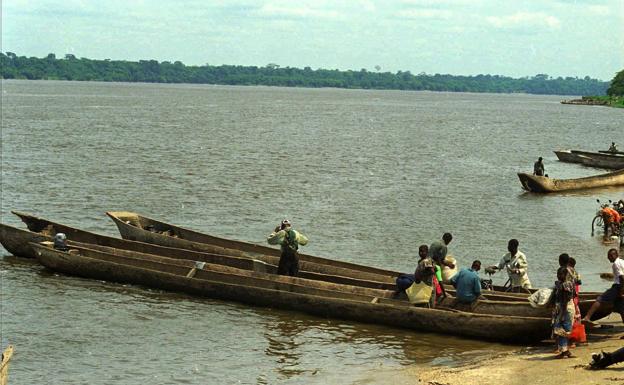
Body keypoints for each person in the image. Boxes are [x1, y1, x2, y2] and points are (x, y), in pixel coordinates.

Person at [582, 248, 624, 325]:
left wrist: (621, 291)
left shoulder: (616, 264)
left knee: (600, 299)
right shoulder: (622, 262)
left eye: (609, 256)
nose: (608, 258)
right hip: (621, 287)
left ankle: (587, 317)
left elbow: (622, 277)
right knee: (621, 309)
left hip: (618, 287)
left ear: (614, 255)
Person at [552, 265, 576, 358]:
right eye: (557, 274)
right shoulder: (563, 284)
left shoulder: (566, 285)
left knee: (562, 329)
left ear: (565, 274)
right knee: (563, 330)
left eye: (560, 274)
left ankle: (564, 351)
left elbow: (565, 300)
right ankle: (565, 350)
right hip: (564, 308)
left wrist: (562, 313)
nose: (558, 276)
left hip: (565, 308)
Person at [428, 233, 455, 298]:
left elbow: (433, 255)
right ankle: (440, 293)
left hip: (427, 262)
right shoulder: (444, 247)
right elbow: (440, 260)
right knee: (439, 280)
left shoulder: (435, 242)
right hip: (433, 265)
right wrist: (449, 265)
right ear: (449, 240)